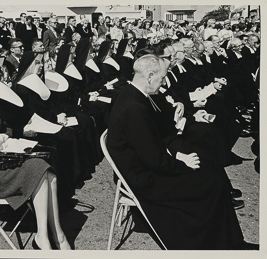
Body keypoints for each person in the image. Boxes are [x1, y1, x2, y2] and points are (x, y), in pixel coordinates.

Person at [106, 54, 257, 250]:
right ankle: (219, 245)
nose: (162, 85)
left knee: (209, 170)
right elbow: (155, 159)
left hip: (143, 167)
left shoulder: (132, 95)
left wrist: (178, 155)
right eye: (161, 79)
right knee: (211, 182)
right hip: (143, 179)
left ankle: (226, 242)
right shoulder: (134, 107)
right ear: (150, 75)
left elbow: (150, 145)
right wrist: (181, 163)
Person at [0, 54, 71, 250]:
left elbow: (4, 128)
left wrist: (2, 138)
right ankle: (48, 237)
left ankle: (54, 234)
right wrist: (0, 142)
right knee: (40, 169)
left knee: (48, 169)